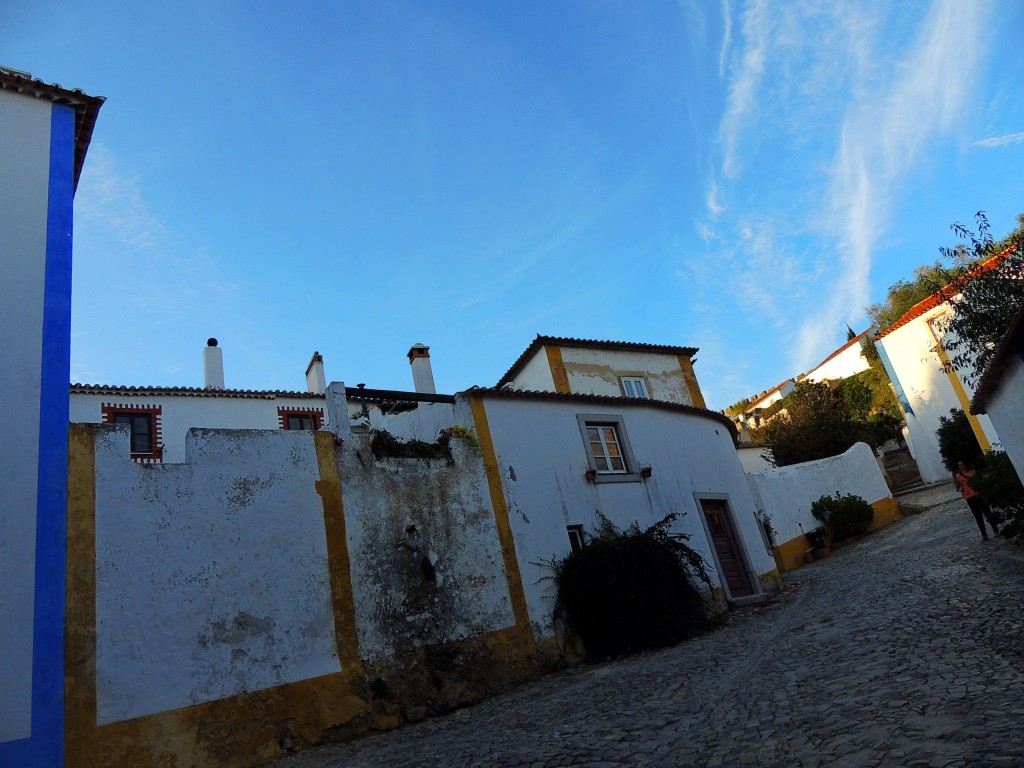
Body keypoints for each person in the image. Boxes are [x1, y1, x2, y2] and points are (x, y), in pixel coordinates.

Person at [954, 461, 999, 540]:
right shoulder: (958, 476)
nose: (961, 466)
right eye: (959, 465)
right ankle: (984, 534)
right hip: (969, 497)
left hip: (978, 495)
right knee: (978, 516)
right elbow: (958, 488)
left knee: (987, 512)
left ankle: (995, 530)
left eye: (962, 464)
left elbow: (976, 480)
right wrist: (955, 478)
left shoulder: (972, 471)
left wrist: (965, 476)